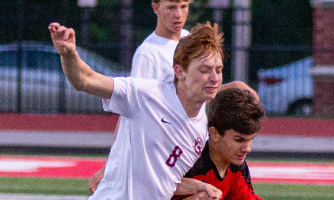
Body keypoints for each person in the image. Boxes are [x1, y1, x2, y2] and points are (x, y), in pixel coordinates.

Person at [49, 21, 250, 199]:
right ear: (180, 72)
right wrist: (69, 54)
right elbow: (85, 80)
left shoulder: (200, 129)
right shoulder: (146, 95)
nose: (214, 78)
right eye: (205, 70)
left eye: (219, 69)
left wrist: (199, 187)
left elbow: (163, 183)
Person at [87, 0, 192, 192]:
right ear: (155, 7)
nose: (178, 14)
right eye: (171, 7)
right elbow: (129, 109)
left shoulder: (188, 40)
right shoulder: (148, 54)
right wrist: (112, 164)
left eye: (183, 6)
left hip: (188, 143)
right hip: (162, 150)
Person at [172, 88, 265, 200]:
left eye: (251, 139)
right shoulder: (187, 161)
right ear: (214, 134)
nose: (247, 149)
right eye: (239, 140)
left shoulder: (237, 167)